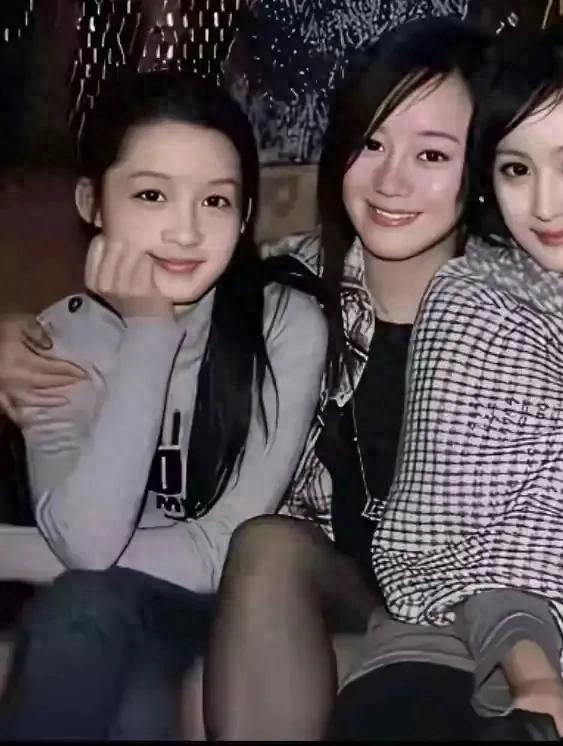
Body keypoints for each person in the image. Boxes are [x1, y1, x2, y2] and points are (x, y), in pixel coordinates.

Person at [201, 16, 563, 740]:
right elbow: (168, 303)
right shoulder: (294, 290)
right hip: (396, 609)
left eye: (432, 153)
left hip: (529, 640)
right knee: (256, 570)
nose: (391, 180)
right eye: (371, 143)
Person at [0, 70, 326, 739]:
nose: (185, 231)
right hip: (117, 611)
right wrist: (150, 332)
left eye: (215, 201)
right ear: (92, 202)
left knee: (83, 607)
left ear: (244, 217)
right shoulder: (57, 345)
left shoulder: (283, 327)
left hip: (245, 616)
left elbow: (218, 554)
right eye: (151, 194)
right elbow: (86, 542)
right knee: (116, 673)